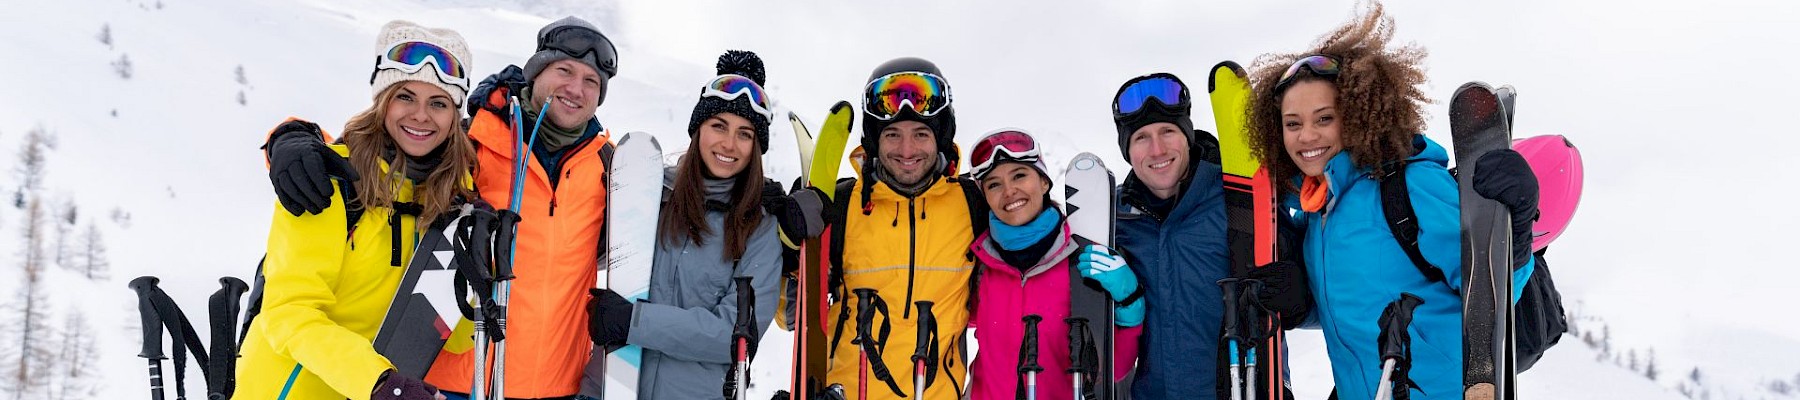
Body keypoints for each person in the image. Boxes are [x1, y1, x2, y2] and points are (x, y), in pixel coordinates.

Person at [263, 16, 623, 399]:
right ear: (535, 74)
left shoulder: (607, 166)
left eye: (591, 82)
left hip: (556, 384)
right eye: (564, 70)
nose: (575, 89)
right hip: (446, 381)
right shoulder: (471, 145)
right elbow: (374, 154)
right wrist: (288, 138)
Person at [1242, 4, 1539, 399]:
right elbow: (1362, 305)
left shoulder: (1408, 186)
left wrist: (1514, 233)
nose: (1307, 136)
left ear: (1358, 115)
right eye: (1293, 123)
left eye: (1324, 118)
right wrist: (1301, 304)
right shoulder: (1319, 213)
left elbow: (1489, 285)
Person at [238, 20, 474, 400]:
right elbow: (290, 313)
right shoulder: (330, 179)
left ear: (454, 117)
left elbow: (453, 343)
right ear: (382, 101)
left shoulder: (448, 202)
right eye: (405, 97)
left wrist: (474, 283)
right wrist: (380, 383)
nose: (421, 115)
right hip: (285, 389)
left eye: (438, 103)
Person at [582, 50, 784, 400]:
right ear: (698, 130)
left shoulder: (760, 231)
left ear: (756, 147)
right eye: (718, 126)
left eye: (745, 134)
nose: (728, 144)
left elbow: (732, 337)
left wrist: (634, 322)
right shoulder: (649, 196)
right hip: (613, 388)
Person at [815, 57, 983, 400]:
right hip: (847, 393)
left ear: (941, 136)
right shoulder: (841, 205)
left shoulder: (973, 204)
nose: (907, 151)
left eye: (921, 134)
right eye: (892, 135)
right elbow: (793, 313)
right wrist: (787, 241)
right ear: (875, 140)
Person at [961, 129, 1144, 400]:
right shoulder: (980, 264)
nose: (1009, 192)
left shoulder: (1078, 260)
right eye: (994, 185)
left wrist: (1130, 302)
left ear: (1044, 183)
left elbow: (1113, 369)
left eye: (1020, 175)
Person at [1106, 72, 1237, 400]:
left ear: (1188, 136)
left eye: (1168, 131)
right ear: (1128, 151)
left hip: (1238, 388)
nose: (1157, 149)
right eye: (1141, 138)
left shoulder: (1237, 197)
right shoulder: (1114, 217)